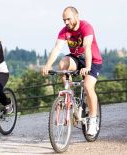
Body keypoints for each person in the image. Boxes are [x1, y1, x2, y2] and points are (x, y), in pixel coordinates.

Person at [41, 6, 103, 135]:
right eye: (64, 20)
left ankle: (92, 120)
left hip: (92, 60)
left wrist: (87, 67)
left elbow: (87, 48)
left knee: (87, 86)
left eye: (68, 19)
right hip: (76, 59)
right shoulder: (64, 31)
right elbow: (57, 48)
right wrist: (47, 65)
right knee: (62, 63)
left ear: (76, 16)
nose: (66, 22)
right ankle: (69, 94)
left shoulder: (86, 27)